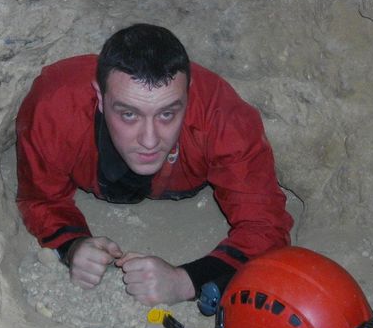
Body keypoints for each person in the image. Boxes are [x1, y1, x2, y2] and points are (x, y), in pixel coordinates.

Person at [15, 23, 293, 306]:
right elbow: (40, 198)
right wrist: (72, 245)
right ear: (100, 98)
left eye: (167, 114)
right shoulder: (55, 109)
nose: (149, 140)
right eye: (128, 114)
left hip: (184, 175)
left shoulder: (223, 119)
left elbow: (267, 227)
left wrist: (186, 281)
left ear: (189, 95)